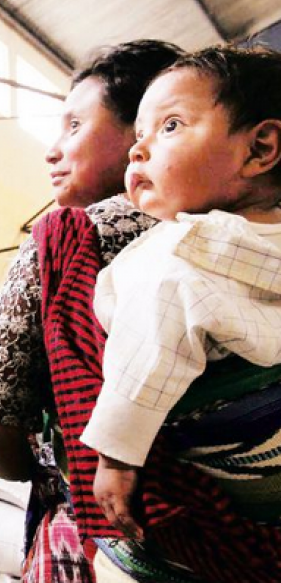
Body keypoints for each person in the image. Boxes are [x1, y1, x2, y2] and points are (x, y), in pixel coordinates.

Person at [0, 39, 183, 582]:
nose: (52, 149)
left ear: (141, 136)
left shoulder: (64, 240)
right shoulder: (247, 237)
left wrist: (50, 472)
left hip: (108, 544)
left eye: (74, 126)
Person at [81, 45, 281, 539]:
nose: (138, 149)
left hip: (229, 467)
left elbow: (146, 351)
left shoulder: (176, 252)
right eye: (139, 134)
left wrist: (116, 455)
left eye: (170, 126)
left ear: (260, 149)